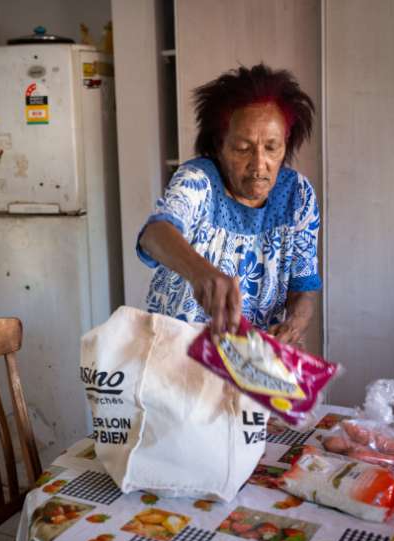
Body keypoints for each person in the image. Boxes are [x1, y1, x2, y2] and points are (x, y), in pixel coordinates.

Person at [137, 64, 321, 346]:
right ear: (219, 146)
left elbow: (303, 288)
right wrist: (201, 273)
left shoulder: (298, 195)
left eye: (272, 148)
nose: (259, 165)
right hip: (176, 355)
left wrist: (293, 325)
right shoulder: (198, 182)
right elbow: (154, 235)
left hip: (251, 359)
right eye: (242, 148)